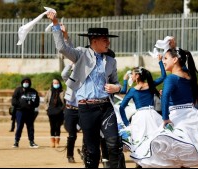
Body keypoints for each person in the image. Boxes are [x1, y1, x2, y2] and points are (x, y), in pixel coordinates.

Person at [130, 49, 198, 168]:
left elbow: (166, 97)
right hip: (192, 115)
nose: (164, 61)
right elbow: (180, 93)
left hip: (177, 116)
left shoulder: (171, 78)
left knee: (165, 149)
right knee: (187, 152)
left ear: (175, 59)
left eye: (166, 58)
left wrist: (165, 118)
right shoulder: (189, 76)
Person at [48, 12, 125, 168]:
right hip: (87, 108)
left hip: (105, 107)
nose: (108, 42)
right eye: (105, 40)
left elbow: (117, 84)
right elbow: (62, 47)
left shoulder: (111, 61)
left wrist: (116, 87)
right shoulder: (81, 54)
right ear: (94, 41)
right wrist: (55, 23)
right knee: (92, 151)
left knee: (115, 143)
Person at [119, 55, 166, 150]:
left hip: (140, 117)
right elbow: (164, 76)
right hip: (153, 115)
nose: (131, 76)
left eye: (132, 74)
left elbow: (121, 107)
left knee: (140, 142)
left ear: (137, 75)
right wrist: (160, 61)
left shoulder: (132, 90)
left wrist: (127, 124)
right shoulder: (151, 85)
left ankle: (141, 162)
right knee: (156, 139)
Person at [12, 77, 40, 148]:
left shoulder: (33, 91)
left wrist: (31, 105)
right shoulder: (18, 90)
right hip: (20, 112)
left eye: (27, 82)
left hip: (30, 112)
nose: (26, 83)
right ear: (22, 83)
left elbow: (37, 101)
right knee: (19, 127)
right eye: (25, 82)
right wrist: (20, 105)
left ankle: (31, 142)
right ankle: (16, 141)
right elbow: (14, 100)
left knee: (30, 127)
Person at [44, 78, 65, 149]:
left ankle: (57, 142)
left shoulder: (62, 91)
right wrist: (47, 108)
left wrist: (62, 109)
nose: (56, 84)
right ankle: (52, 141)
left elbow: (65, 102)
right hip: (51, 111)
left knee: (58, 127)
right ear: (52, 84)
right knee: (52, 127)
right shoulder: (49, 91)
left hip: (59, 112)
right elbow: (45, 100)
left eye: (57, 83)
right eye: (54, 83)